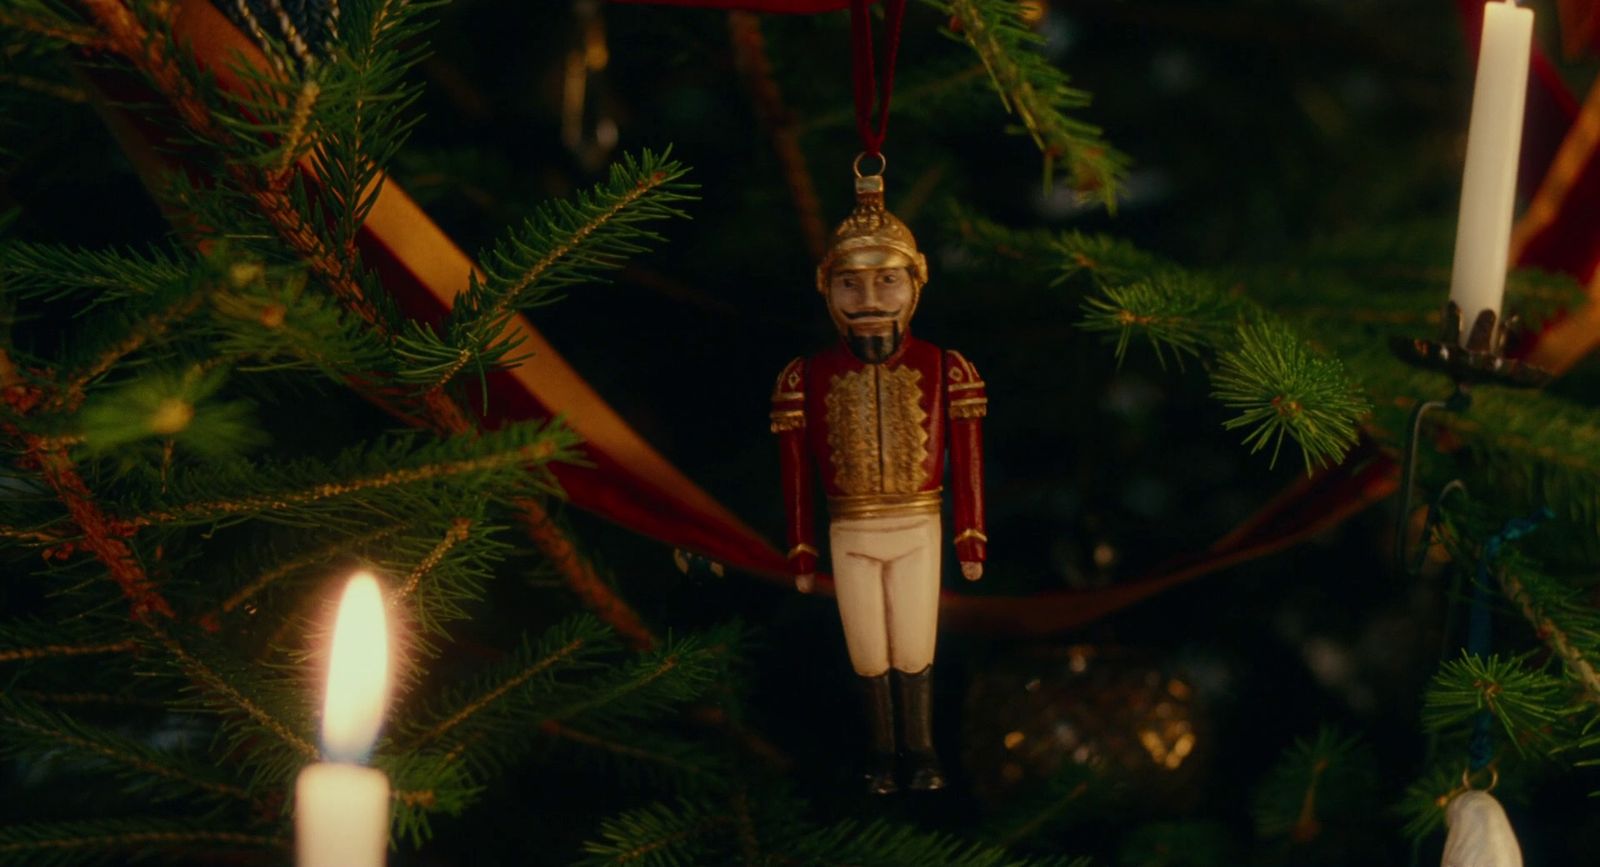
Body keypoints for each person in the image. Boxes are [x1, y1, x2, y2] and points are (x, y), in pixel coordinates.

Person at [770, 168, 987, 794]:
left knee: (915, 643)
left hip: (920, 523)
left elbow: (968, 455)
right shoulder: (804, 376)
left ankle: (920, 750)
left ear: (915, 284)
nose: (868, 297)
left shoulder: (945, 367)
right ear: (826, 288)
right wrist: (802, 549)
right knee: (867, 647)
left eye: (886, 280)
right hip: (848, 527)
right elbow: (796, 472)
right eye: (851, 282)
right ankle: (880, 751)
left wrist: (970, 537)